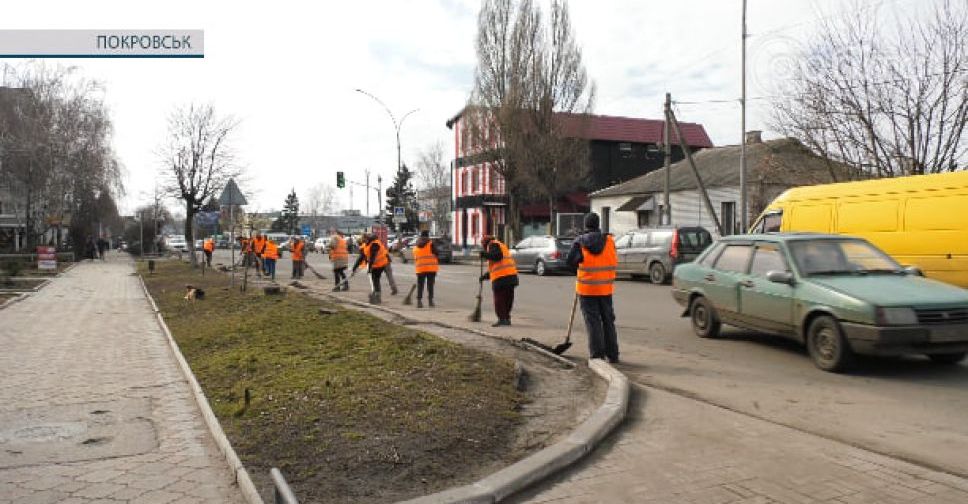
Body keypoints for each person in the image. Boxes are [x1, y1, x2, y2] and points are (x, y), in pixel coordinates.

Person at [566, 212, 619, 363]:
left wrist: (578, 267)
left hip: (587, 289)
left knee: (593, 321)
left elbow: (569, 262)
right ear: (598, 224)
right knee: (608, 320)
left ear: (586, 225)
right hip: (606, 289)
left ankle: (597, 355)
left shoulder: (580, 242)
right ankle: (613, 354)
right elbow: (613, 259)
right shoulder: (609, 240)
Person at [480, 235, 519, 327]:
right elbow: (497, 266)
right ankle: (506, 318)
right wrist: (484, 277)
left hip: (501, 278)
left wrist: (484, 254)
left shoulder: (492, 245)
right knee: (508, 299)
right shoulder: (501, 245)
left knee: (499, 300)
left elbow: (497, 256)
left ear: (485, 243)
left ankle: (502, 319)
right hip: (511, 276)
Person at [352, 233, 389, 304]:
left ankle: (377, 297)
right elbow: (361, 258)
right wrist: (355, 267)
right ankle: (376, 295)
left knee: (376, 279)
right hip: (374, 264)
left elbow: (372, 257)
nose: (364, 242)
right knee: (374, 279)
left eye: (365, 240)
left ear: (367, 239)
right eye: (363, 241)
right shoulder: (365, 245)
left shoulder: (375, 244)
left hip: (381, 263)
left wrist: (369, 268)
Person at [412, 230, 439, 308]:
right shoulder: (431, 244)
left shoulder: (416, 245)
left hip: (420, 268)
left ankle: (419, 301)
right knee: (430, 285)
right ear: (428, 236)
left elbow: (415, 255)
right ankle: (430, 301)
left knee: (420, 285)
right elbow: (437, 253)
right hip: (431, 268)